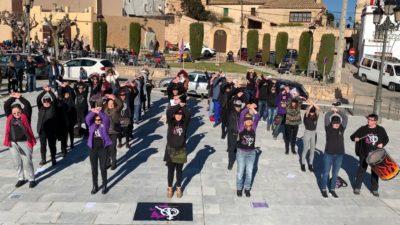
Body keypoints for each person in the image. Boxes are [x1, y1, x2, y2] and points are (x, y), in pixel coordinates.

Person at [350, 114, 389, 197]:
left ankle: (374, 189)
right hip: (364, 154)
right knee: (361, 170)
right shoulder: (363, 129)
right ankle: (357, 187)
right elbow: (352, 137)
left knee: (375, 172)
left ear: (375, 121)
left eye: (371, 120)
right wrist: (355, 138)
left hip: (376, 155)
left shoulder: (380, 130)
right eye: (368, 119)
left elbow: (386, 139)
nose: (369, 121)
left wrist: (382, 144)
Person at [3, 93, 36, 188]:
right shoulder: (9, 117)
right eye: (14, 113)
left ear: (21, 111)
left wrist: (19, 97)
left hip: (25, 142)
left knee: (27, 161)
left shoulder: (26, 116)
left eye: (18, 112)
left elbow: (28, 105)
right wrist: (12, 97)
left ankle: (31, 179)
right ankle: (21, 178)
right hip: (13, 143)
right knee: (17, 161)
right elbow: (6, 105)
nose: (16, 114)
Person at [164, 98, 191, 198]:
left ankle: (179, 188)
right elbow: (169, 111)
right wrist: (178, 105)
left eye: (180, 114)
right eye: (177, 114)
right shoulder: (171, 123)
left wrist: (183, 107)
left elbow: (188, 114)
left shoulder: (184, 124)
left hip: (180, 149)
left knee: (179, 171)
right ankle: (170, 188)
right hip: (171, 148)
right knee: (170, 170)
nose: (178, 116)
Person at [321, 108, 348, 198]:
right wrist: (333, 111)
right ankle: (324, 189)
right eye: (334, 123)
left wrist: (339, 111)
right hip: (328, 154)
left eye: (338, 123)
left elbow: (345, 118)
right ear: (331, 123)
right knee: (325, 173)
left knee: (335, 173)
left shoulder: (342, 128)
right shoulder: (328, 128)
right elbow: (327, 116)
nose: (336, 125)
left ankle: (332, 190)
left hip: (339, 155)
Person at [86, 107, 112, 195]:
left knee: (103, 167)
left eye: (99, 119)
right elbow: (87, 118)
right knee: (94, 168)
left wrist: (99, 112)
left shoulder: (105, 125)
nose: (98, 121)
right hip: (93, 149)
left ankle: (104, 185)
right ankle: (95, 185)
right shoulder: (91, 125)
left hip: (103, 149)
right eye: (96, 119)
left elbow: (106, 118)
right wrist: (93, 112)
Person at [236, 103, 260, 197]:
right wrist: (248, 107)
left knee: (249, 172)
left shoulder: (253, 128)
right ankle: (239, 188)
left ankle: (247, 188)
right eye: (247, 120)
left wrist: (253, 109)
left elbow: (257, 116)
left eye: (250, 120)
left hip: (251, 153)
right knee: (240, 172)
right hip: (241, 153)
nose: (249, 121)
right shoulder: (241, 128)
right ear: (244, 122)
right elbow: (242, 115)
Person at [37, 85, 58, 166]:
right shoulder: (40, 108)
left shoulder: (52, 108)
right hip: (42, 131)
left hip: (51, 131)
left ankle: (53, 158)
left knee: (52, 145)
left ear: (50, 101)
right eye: (45, 101)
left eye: (48, 101)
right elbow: (38, 99)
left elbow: (54, 99)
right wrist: (44, 91)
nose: (46, 103)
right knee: (43, 146)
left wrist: (49, 91)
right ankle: (43, 159)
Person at [103, 94, 123, 170]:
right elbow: (99, 104)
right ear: (107, 104)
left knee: (113, 148)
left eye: (112, 104)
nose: (110, 105)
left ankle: (114, 163)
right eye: (109, 104)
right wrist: (104, 97)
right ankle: (108, 163)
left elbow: (120, 104)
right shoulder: (104, 110)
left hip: (114, 131)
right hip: (106, 132)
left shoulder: (116, 110)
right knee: (106, 148)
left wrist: (114, 98)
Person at [57, 83, 77, 157]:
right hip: (64, 122)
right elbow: (59, 94)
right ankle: (64, 149)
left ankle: (71, 143)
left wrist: (67, 86)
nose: (66, 95)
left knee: (71, 133)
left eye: (67, 94)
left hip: (71, 120)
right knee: (64, 136)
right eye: (65, 94)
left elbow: (72, 93)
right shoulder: (61, 102)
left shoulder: (72, 101)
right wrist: (62, 87)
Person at [301, 100, 320, 172]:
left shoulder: (316, 117)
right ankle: (303, 164)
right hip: (307, 132)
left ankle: (310, 164)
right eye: (311, 112)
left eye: (313, 112)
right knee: (305, 149)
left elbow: (318, 109)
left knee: (312, 150)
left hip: (314, 133)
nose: (312, 113)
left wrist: (314, 104)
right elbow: (307, 110)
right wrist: (312, 104)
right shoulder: (306, 116)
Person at [226, 99, 244, 170]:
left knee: (239, 149)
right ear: (234, 106)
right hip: (232, 133)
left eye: (239, 106)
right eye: (236, 106)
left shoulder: (242, 113)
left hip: (240, 134)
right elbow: (229, 100)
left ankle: (240, 162)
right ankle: (230, 163)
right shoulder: (231, 112)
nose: (238, 107)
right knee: (231, 149)